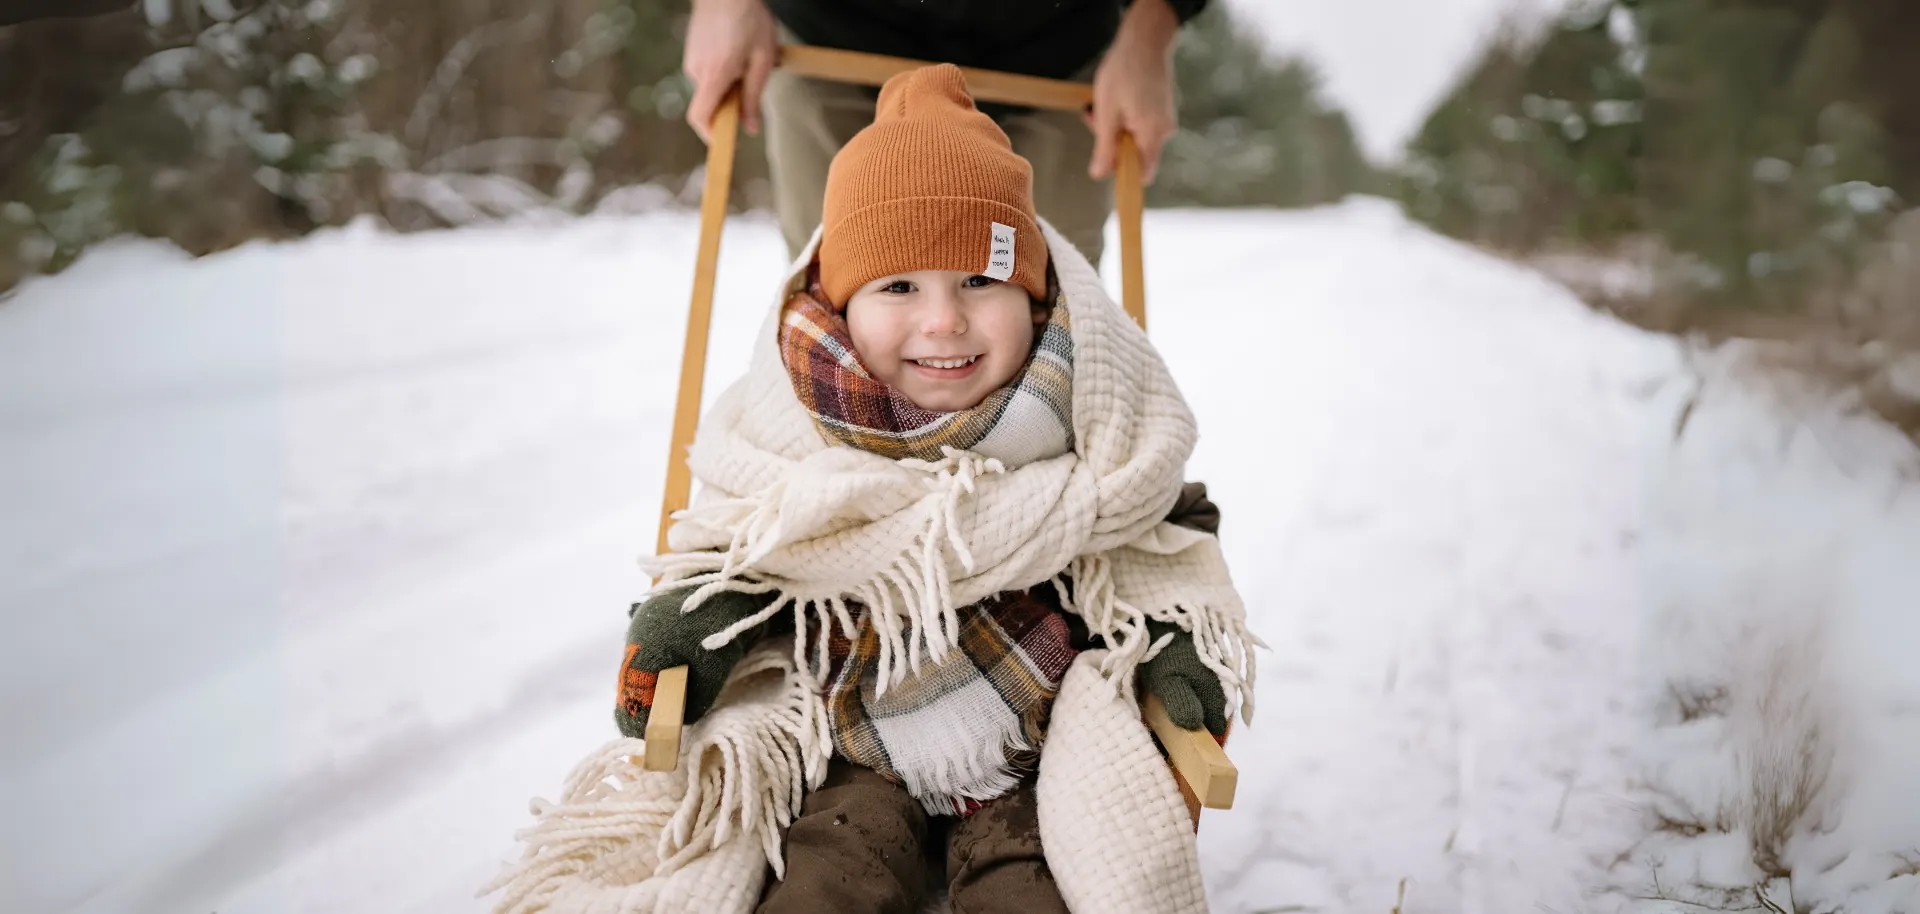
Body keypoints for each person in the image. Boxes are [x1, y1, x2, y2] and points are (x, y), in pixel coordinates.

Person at [615, 64, 1255, 914]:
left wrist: (1179, 649)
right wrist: (689, 626)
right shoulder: (790, 431)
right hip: (848, 740)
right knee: (827, 882)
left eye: (981, 282)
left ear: (1033, 297)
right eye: (899, 287)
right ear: (842, 306)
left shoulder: (1096, 428)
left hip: (1033, 740)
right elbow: (744, 545)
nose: (945, 320)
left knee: (1038, 886)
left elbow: (1166, 533)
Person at [678, 0, 1208, 266]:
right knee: (840, 282)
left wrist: (1150, 31)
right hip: (832, 35)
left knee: (1055, 297)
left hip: (1055, 50)